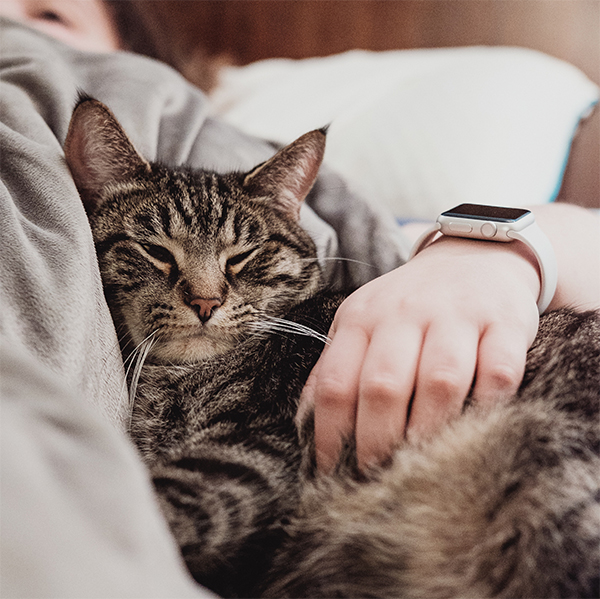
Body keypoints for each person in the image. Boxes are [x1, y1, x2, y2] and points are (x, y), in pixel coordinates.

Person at [1, 2, 598, 596]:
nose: (206, 297)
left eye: (49, 14)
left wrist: (488, 255)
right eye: (159, 255)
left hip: (514, 457)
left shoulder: (318, 305)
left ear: (132, 51)